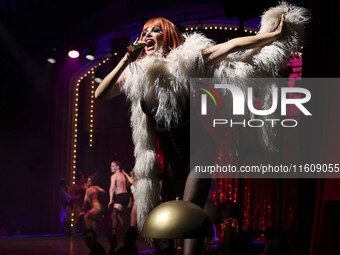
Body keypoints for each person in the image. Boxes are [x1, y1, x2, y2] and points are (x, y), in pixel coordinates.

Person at [95, 3, 308, 254]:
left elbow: (232, 46)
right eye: (145, 32)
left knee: (189, 213)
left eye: (155, 31)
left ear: (168, 35)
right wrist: (126, 59)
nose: (148, 35)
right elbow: (101, 94)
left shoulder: (188, 61)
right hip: (171, 158)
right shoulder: (137, 73)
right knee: (169, 221)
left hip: (200, 149)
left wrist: (271, 36)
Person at [108, 160, 130, 234]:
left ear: (118, 167)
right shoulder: (122, 175)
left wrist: (110, 200)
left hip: (121, 197)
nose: (111, 167)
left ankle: (113, 233)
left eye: (113, 166)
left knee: (113, 215)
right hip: (126, 196)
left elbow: (112, 188)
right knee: (119, 215)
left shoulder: (114, 176)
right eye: (111, 166)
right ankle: (125, 232)